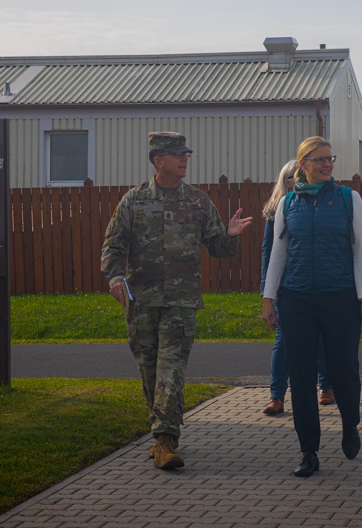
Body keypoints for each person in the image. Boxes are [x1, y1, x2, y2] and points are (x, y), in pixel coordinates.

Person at [101, 131, 252, 470]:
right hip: (141, 303)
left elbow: (218, 248)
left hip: (182, 303)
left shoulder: (198, 201)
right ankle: (159, 436)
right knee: (150, 371)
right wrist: (114, 278)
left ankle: (166, 441)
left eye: (187, 154)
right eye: (177, 155)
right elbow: (112, 245)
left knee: (171, 369)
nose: (185, 160)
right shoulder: (133, 201)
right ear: (158, 161)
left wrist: (228, 235)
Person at [262, 136, 362, 477]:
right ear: (303, 166)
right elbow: (278, 255)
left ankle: (350, 423)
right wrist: (269, 297)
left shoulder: (348, 199)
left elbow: (361, 252)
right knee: (301, 376)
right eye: (319, 159)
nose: (327, 164)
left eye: (330, 159)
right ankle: (308, 451)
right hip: (296, 300)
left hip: (339, 297)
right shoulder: (288, 204)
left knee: (343, 371)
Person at [260, 160, 333, 416]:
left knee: (321, 339)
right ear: (285, 180)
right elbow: (269, 254)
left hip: (315, 287)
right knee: (282, 341)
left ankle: (326, 386)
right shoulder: (276, 211)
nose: (297, 180)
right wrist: (267, 292)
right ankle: (276, 396)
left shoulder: (321, 205)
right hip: (286, 289)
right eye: (293, 177)